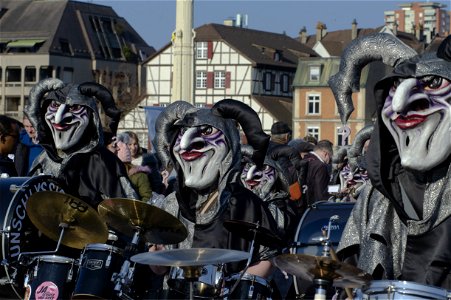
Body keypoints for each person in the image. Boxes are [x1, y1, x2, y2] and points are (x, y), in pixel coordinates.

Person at [330, 33, 451, 290]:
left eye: (433, 83)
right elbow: (351, 273)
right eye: (396, 86)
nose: (399, 104)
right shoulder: (378, 194)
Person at [150, 99, 281, 299]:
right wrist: (156, 256)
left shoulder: (248, 204)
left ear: (229, 145)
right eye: (182, 134)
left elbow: (269, 258)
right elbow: (160, 270)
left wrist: (236, 287)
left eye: (207, 132)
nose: (187, 144)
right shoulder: (172, 203)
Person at [24, 78, 138, 208]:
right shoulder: (43, 159)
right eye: (55, 106)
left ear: (92, 117)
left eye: (74, 108)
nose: (58, 118)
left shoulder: (103, 162)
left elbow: (127, 212)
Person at [116, 132, 153, 202]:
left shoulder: (146, 160)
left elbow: (148, 195)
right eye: (129, 144)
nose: (133, 147)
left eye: (135, 144)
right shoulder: (114, 170)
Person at [303, 139, 334, 205]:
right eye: (330, 157)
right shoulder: (320, 166)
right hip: (313, 207)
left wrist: (336, 189)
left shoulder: (304, 159)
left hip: (301, 204)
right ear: (325, 154)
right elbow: (320, 193)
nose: (330, 161)